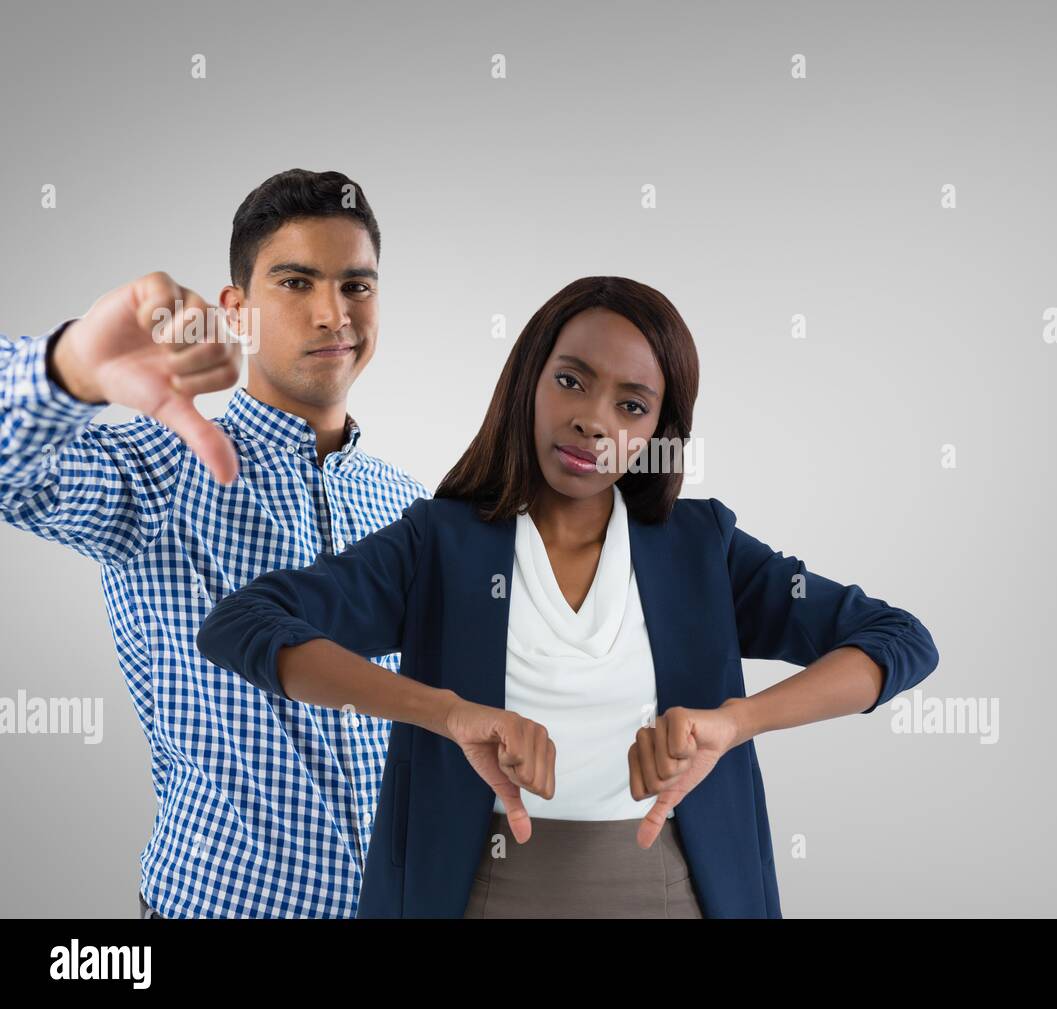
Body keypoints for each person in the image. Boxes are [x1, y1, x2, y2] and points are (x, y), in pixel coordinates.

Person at [196, 276, 940, 918]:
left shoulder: (699, 548)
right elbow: (243, 624)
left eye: (633, 405)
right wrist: (448, 714)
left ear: (658, 433)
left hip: (677, 891)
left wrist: (735, 722)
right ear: (529, 379)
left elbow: (898, 640)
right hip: (477, 889)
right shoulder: (441, 544)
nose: (594, 420)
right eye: (572, 380)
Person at [0, 169, 429, 918]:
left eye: (357, 285)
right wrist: (69, 368)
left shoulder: (408, 503)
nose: (334, 314)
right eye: (296, 282)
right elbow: (15, 476)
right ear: (238, 310)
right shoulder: (157, 470)